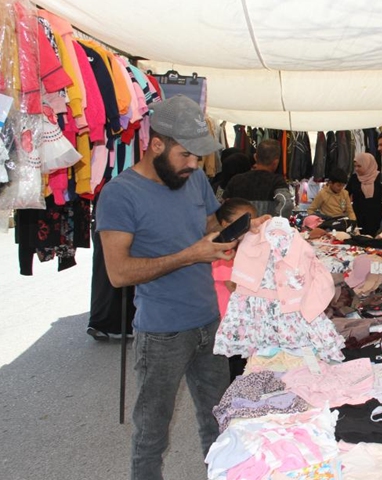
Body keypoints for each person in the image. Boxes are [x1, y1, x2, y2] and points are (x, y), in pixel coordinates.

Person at [96, 94, 241, 480]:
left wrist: (240, 232)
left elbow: (208, 230)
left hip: (209, 321)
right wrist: (190, 255)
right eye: (186, 156)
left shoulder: (192, 180)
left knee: (221, 422)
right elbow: (119, 273)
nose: (194, 166)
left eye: (198, 158)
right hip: (161, 333)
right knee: (151, 435)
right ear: (156, 145)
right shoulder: (119, 194)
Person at [212, 197, 258, 383]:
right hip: (227, 324)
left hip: (238, 322)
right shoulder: (223, 253)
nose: (249, 228)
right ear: (225, 225)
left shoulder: (240, 250)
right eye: (243, 224)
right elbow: (235, 286)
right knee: (232, 372)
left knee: (240, 369)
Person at [223, 138, 294, 218]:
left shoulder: (236, 180)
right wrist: (275, 223)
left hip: (240, 228)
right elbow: (286, 203)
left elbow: (223, 205)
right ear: (276, 162)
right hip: (266, 228)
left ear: (255, 157)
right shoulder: (277, 182)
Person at [346, 152, 382, 236]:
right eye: (355, 166)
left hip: (376, 217)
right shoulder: (354, 178)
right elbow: (346, 195)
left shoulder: (380, 178)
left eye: (359, 166)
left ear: (368, 164)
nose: (356, 169)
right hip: (358, 217)